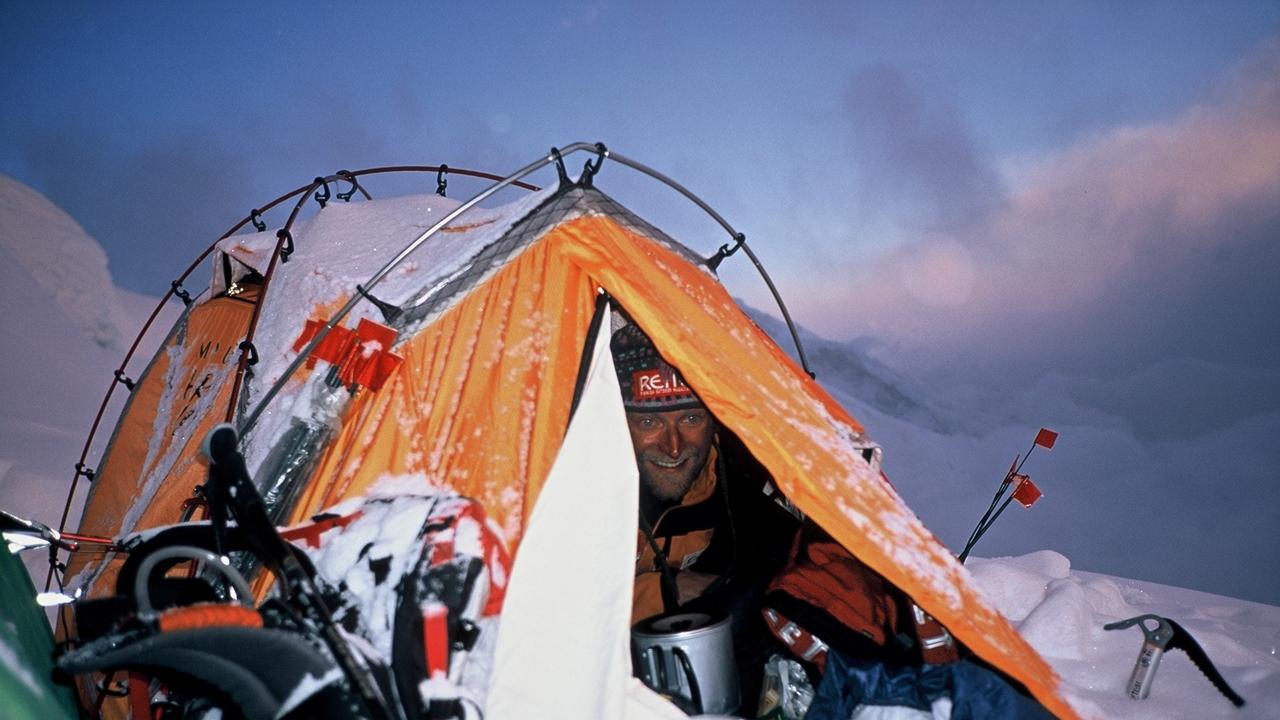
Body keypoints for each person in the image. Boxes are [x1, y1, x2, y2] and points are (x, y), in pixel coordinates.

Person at [611, 320, 732, 624]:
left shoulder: (736, 487)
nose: (674, 447)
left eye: (691, 419)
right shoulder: (572, 494)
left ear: (715, 422)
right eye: (649, 423)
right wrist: (664, 592)